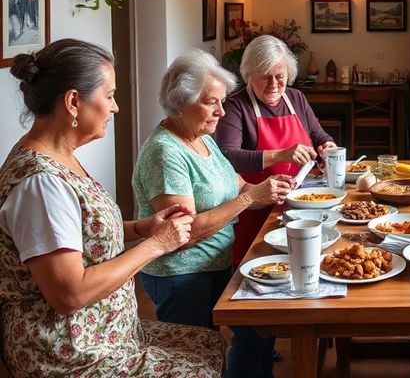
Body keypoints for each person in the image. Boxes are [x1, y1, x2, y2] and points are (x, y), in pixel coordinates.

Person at [0, 38, 224, 376]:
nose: (116, 107)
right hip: (71, 355)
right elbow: (69, 294)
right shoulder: (40, 184)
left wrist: (142, 228)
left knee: (211, 343)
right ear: (74, 102)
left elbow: (83, 237)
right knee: (200, 366)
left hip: (109, 336)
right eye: (109, 96)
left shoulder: (61, 160)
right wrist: (157, 244)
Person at [133, 49, 294, 378]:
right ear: (181, 102)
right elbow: (183, 233)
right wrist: (250, 199)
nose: (222, 111)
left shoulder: (204, 139)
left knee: (257, 333)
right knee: (196, 360)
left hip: (219, 262)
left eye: (222, 101)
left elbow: (240, 187)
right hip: (182, 274)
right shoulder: (166, 152)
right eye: (212, 102)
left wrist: (270, 190)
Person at [214, 34, 337, 265]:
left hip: (299, 204)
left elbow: (318, 135)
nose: (273, 84)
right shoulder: (235, 106)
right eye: (264, 76)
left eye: (279, 76)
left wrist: (327, 146)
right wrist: (279, 155)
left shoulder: (295, 97)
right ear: (249, 75)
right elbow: (227, 157)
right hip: (256, 209)